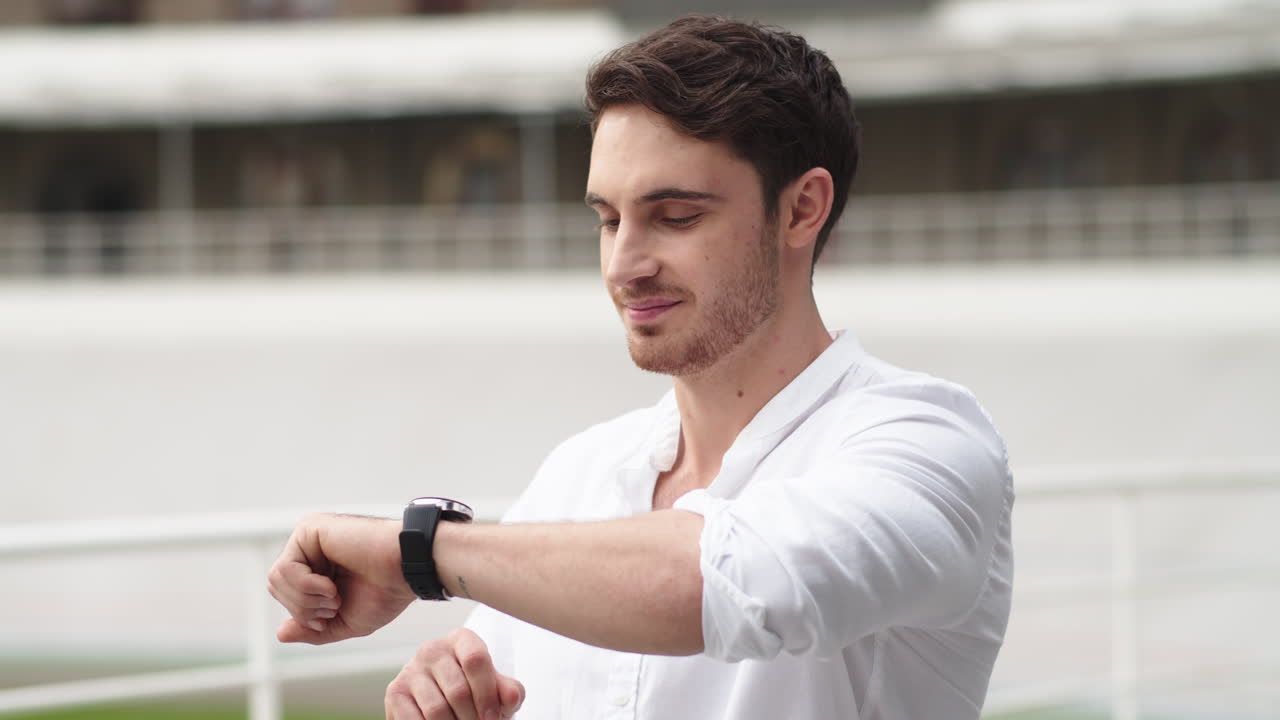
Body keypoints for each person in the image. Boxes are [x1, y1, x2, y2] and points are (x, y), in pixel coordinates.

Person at [267, 14, 1014, 720]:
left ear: (802, 209)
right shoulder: (578, 472)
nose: (623, 265)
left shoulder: (928, 441)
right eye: (608, 219)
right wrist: (447, 695)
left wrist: (418, 552)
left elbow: (725, 582)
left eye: (676, 216)